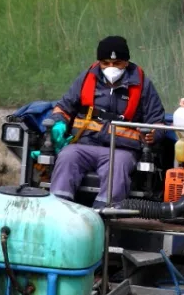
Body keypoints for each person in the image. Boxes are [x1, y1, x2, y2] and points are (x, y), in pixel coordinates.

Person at [47, 36, 166, 207]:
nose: (111, 67)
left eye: (116, 63)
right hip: (84, 144)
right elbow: (63, 107)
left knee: (117, 166)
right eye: (105, 63)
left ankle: (105, 212)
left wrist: (155, 134)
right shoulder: (86, 78)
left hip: (122, 149)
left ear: (126, 62)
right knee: (67, 156)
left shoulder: (143, 85)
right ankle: (59, 208)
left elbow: (157, 121)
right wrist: (58, 123)